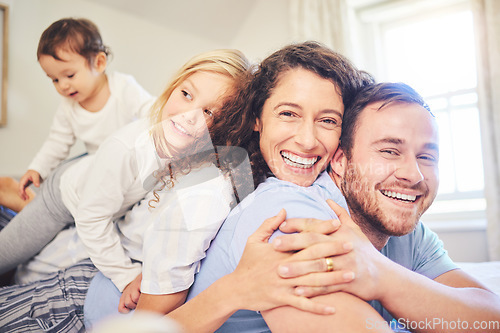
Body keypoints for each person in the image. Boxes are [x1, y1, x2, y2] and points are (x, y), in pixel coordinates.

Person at [83, 41, 372, 328]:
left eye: (328, 120)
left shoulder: (303, 173)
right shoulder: (205, 195)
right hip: (98, 300)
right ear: (256, 118)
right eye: (288, 113)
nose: (307, 140)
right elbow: (148, 325)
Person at [169, 82, 500, 332]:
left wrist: (382, 276)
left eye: (427, 157)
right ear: (340, 160)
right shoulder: (288, 216)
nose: (413, 176)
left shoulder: (398, 221)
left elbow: (490, 317)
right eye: (389, 151)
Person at [0, 48, 251, 332]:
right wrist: (125, 274)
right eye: (186, 94)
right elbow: (91, 220)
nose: (188, 116)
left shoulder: (192, 149)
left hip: (109, 195)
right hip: (64, 197)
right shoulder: (127, 148)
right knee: (9, 257)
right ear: (173, 88)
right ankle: (18, 198)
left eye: (208, 111)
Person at [0, 18, 153, 214]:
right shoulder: (68, 107)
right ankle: (32, 206)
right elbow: (57, 142)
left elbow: (152, 111)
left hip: (133, 162)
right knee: (70, 182)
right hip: (101, 169)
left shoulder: (123, 87)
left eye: (70, 75)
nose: (62, 85)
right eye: (54, 79)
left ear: (99, 63)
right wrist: (37, 169)